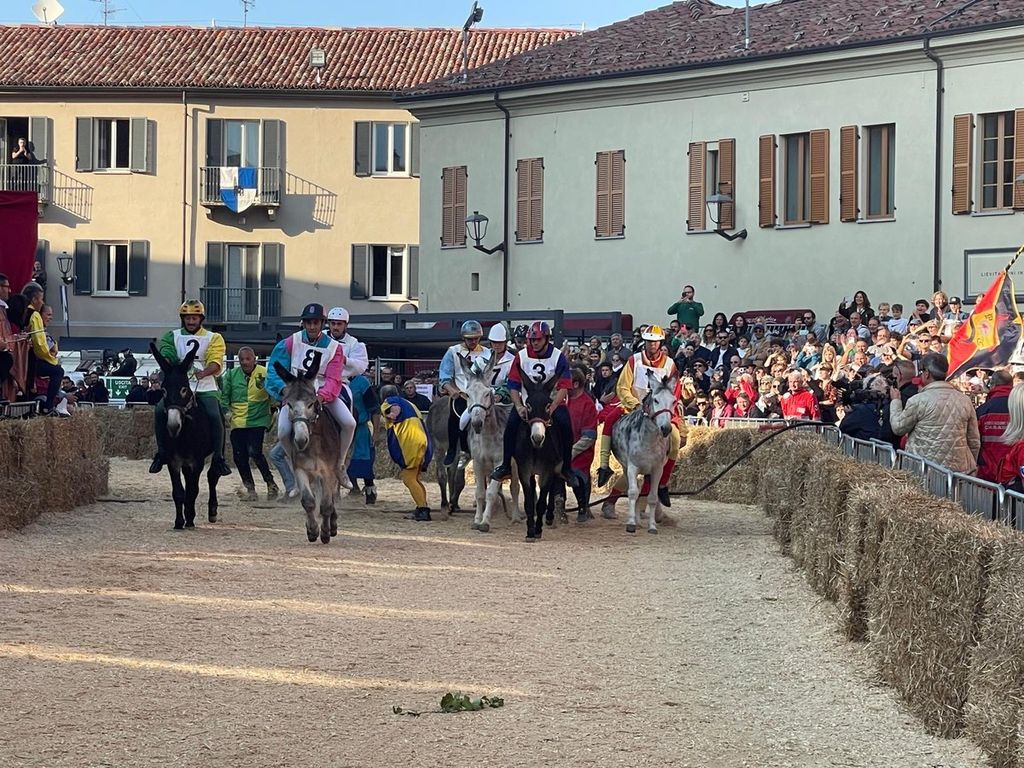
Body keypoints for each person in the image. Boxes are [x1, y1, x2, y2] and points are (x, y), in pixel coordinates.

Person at [265, 302, 355, 488]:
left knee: (349, 423)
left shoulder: (334, 347)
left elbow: (334, 377)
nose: (312, 327)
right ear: (303, 323)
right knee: (283, 432)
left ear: (322, 323)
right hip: (296, 393)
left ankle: (339, 465)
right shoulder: (290, 342)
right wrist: (285, 390)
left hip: (321, 392)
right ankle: (295, 467)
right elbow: (273, 371)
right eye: (308, 323)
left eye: (316, 323)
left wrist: (322, 396)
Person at [490, 321, 583, 491]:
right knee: (511, 426)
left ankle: (566, 468)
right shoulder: (521, 356)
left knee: (565, 426)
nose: (535, 343)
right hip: (528, 402)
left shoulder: (558, 356)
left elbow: (564, 385)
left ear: (546, 339)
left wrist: (553, 406)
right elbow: (513, 385)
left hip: (552, 401)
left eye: (538, 339)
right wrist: (518, 406)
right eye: (532, 340)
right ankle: (505, 466)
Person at [594, 325, 680, 506]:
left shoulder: (670, 364)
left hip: (660, 410)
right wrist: (635, 404)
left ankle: (662, 484)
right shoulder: (634, 360)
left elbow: (675, 391)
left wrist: (666, 409)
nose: (652, 345)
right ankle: (603, 466)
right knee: (609, 420)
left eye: (655, 341)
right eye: (649, 341)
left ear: (661, 343)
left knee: (676, 438)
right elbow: (622, 387)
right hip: (634, 407)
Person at [149, 299, 232, 476]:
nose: (191, 321)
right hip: (179, 385)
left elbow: (215, 360)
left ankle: (219, 457)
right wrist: (168, 364)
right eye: (187, 318)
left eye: (194, 318)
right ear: (183, 319)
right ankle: (161, 453)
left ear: (201, 319)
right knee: (159, 410)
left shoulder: (214, 337)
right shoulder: (171, 336)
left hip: (204, 384)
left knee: (214, 414)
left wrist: (205, 372)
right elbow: (167, 353)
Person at [888, 353, 980, 473]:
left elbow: (898, 427)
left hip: (923, 469)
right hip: (957, 472)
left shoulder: (918, 400)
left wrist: (895, 401)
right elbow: (974, 440)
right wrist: (970, 465)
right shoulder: (965, 400)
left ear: (927, 373)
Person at [221, 347, 279, 501]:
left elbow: (273, 395)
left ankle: (270, 482)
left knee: (255, 451)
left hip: (258, 419)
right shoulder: (230, 375)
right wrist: (227, 414)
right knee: (239, 456)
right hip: (237, 421)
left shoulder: (265, 374)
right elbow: (224, 397)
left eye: (248, 359)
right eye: (242, 359)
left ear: (255, 359)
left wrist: (273, 412)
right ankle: (250, 488)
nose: (245, 362)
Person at [437, 319, 489, 465]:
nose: (473, 341)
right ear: (463, 338)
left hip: (482, 394)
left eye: (476, 338)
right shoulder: (453, 352)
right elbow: (444, 376)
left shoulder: (487, 352)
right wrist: (452, 391)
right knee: (456, 416)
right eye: (469, 339)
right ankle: (454, 449)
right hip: (462, 394)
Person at [381, 390, 433, 521]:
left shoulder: (390, 401)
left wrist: (387, 415)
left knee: (409, 479)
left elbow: (395, 410)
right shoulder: (409, 403)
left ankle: (423, 510)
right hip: (422, 439)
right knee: (415, 478)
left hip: (411, 443)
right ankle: (422, 506)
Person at [23, 284, 63, 415]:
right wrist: (51, 360)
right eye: (41, 299)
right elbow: (40, 344)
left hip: (26, 358)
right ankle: (48, 406)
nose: (42, 302)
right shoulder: (34, 315)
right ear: (34, 299)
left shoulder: (24, 312)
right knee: (58, 371)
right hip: (31, 359)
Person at [346, 371, 381, 504]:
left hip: (360, 427)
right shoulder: (335, 380)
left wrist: (376, 432)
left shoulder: (362, 382)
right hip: (340, 429)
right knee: (343, 461)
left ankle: (370, 489)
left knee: (363, 460)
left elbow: (374, 408)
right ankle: (354, 488)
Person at [975, 369, 1014, 482]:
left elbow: (974, 441)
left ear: (992, 385)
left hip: (987, 473)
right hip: (1014, 474)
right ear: (1011, 385)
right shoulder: (1019, 408)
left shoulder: (982, 411)